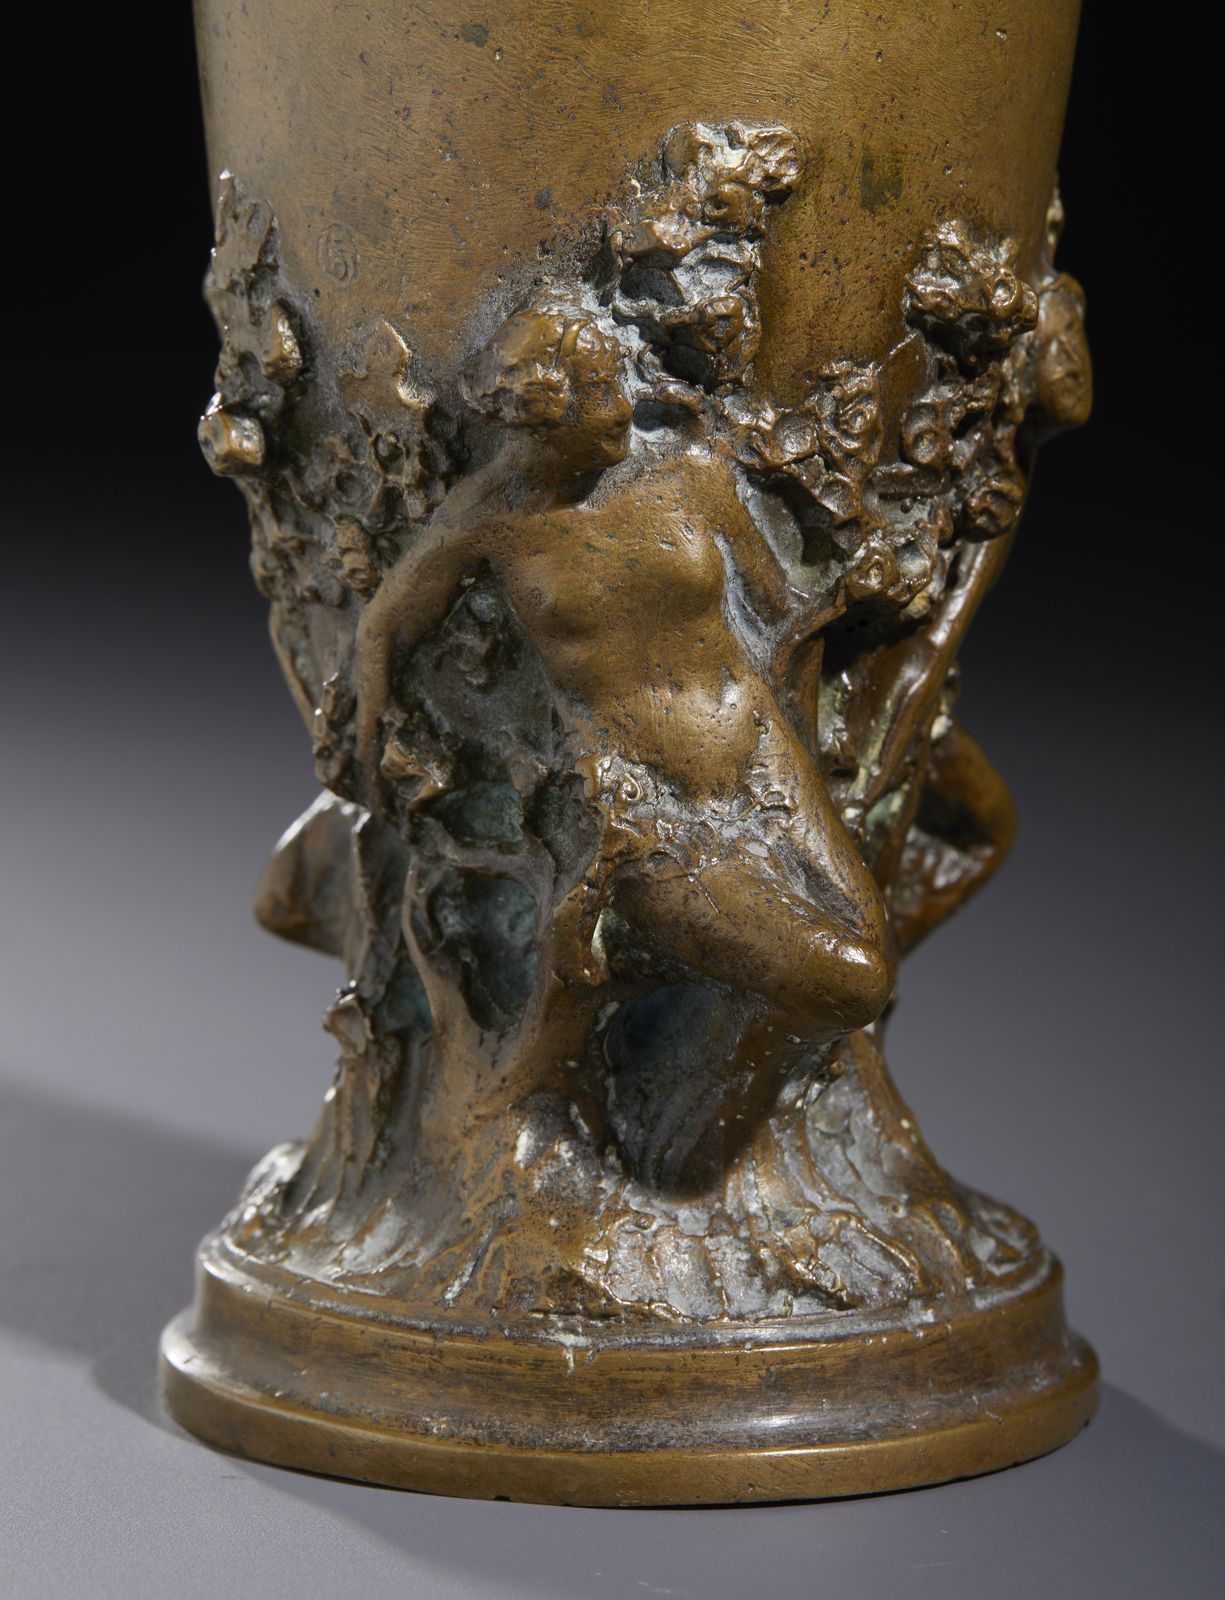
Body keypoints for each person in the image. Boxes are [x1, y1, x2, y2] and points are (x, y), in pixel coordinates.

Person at [353, 306, 894, 1174]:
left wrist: (841, 625)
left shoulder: (691, 475)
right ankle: (671, 1138)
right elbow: (386, 628)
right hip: (647, 810)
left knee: (864, 958)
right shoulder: (491, 521)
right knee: (850, 980)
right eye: (599, 394)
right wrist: (366, 747)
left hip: (764, 763)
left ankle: (694, 1117)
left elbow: (776, 619)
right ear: (541, 413)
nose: (620, 408)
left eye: (616, 386)